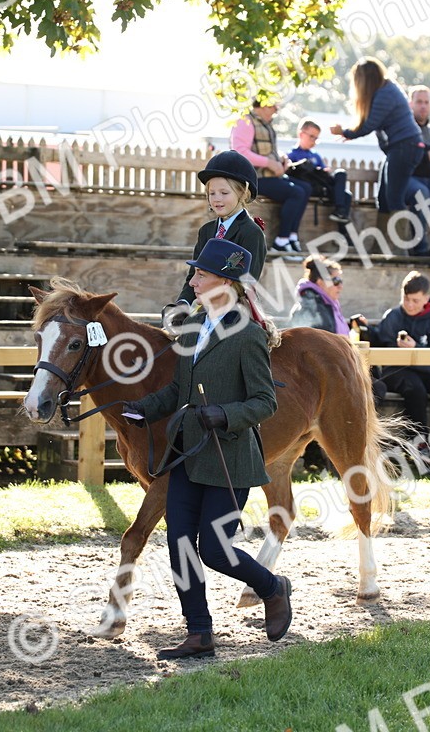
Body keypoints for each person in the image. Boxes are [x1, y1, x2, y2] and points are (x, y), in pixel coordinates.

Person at [123, 237, 292, 659]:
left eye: (200, 274)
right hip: (187, 454)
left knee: (215, 550)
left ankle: (273, 587)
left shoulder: (247, 336)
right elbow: (180, 390)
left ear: (225, 282)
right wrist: (142, 408)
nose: (193, 281)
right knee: (180, 544)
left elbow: (264, 402)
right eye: (194, 274)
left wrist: (223, 414)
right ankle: (199, 633)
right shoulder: (194, 329)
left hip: (229, 458)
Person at [369, 270, 430, 474]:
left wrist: (416, 350)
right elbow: (379, 347)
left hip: (427, 369)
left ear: (426, 299)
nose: (410, 304)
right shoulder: (394, 316)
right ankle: (419, 446)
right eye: (406, 299)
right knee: (416, 389)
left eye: (415, 300)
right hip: (397, 371)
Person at [330, 58, 425, 254]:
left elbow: (369, 125)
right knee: (384, 197)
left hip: (405, 147)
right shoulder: (385, 91)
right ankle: (381, 247)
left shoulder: (386, 94)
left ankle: (399, 250)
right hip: (398, 148)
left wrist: (345, 132)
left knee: (395, 198)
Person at [164, 150, 269, 328]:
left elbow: (246, 284)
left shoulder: (251, 232)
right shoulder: (206, 231)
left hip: (234, 315)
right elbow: (194, 275)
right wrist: (184, 304)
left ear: (243, 193)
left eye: (224, 193)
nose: (217, 199)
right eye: (212, 193)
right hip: (205, 309)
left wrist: (206, 311)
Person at [289, 254, 388, 405]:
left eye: (340, 281)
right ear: (321, 283)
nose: (340, 285)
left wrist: (351, 326)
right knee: (376, 389)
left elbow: (328, 333)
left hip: (335, 368)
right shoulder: (312, 306)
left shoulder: (325, 303)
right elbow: (317, 345)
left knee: (376, 386)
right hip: (321, 376)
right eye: (336, 281)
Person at [231, 100, 311, 255]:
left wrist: (281, 158)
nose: (276, 109)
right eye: (273, 105)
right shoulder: (245, 121)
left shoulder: (265, 123)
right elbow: (240, 151)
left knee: (306, 188)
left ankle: (292, 236)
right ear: (263, 105)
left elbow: (267, 149)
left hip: (269, 176)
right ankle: (281, 241)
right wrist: (269, 163)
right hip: (253, 179)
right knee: (296, 192)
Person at [286, 119, 352, 224]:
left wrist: (324, 171)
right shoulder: (292, 154)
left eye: (316, 138)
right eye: (311, 137)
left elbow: (323, 172)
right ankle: (341, 222)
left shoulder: (315, 155)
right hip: (310, 187)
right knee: (345, 196)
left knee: (341, 177)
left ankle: (340, 213)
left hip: (322, 186)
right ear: (301, 134)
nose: (314, 141)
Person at [405, 85, 430, 256]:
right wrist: (426, 156)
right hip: (407, 179)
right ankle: (419, 249)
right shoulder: (405, 128)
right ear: (410, 104)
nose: (423, 106)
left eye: (426, 102)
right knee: (422, 193)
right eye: (419, 102)